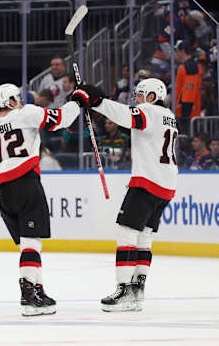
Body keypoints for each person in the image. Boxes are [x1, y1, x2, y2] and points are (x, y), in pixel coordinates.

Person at [0, 83, 80, 316]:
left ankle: (37, 289)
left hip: (2, 192)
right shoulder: (26, 113)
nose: (21, 101)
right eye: (18, 98)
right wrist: (78, 102)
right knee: (32, 241)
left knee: (29, 243)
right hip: (25, 182)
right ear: (12, 101)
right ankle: (28, 295)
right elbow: (61, 119)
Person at [71, 78, 178, 312]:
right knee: (144, 237)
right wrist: (96, 105)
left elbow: (125, 115)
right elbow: (128, 121)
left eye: (140, 95)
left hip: (147, 182)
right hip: (166, 184)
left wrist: (96, 100)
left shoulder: (149, 111)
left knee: (126, 232)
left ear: (151, 97)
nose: (136, 100)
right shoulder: (168, 114)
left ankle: (124, 290)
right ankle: (138, 290)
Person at [174, 40, 203, 134]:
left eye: (176, 51)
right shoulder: (187, 66)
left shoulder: (189, 67)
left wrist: (185, 114)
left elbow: (189, 91)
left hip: (188, 113)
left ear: (182, 51)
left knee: (188, 140)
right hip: (185, 112)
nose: (175, 54)